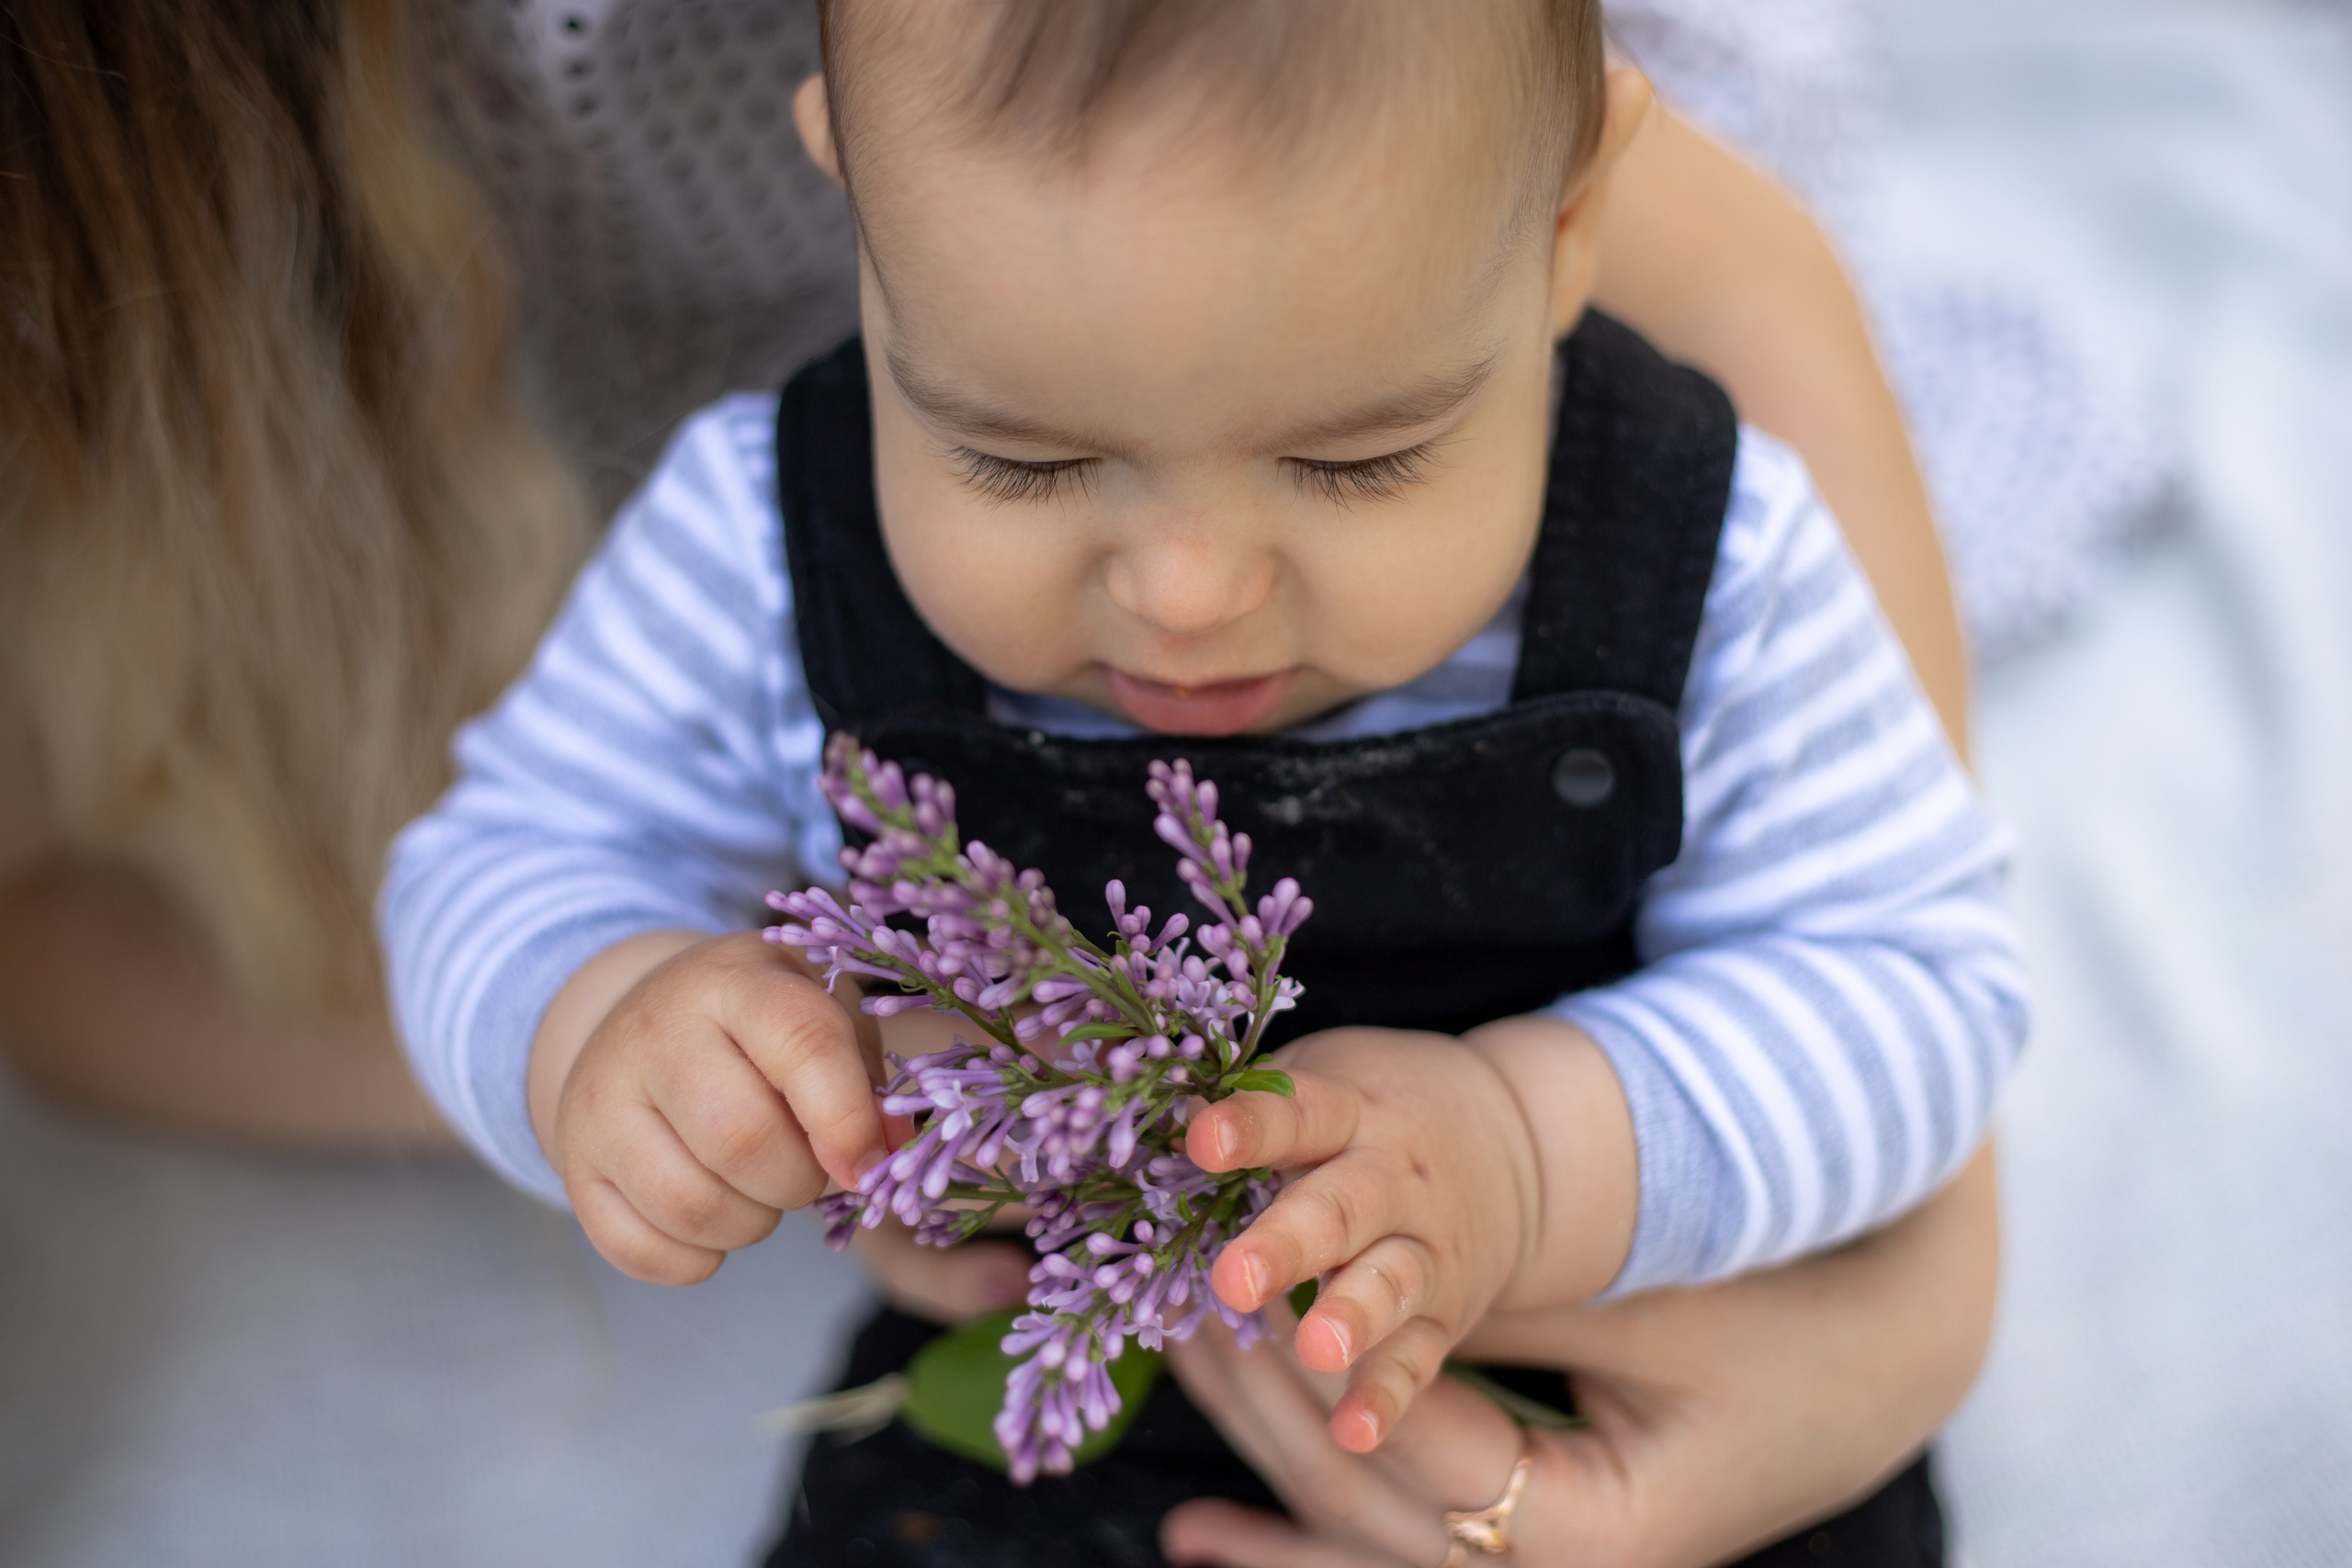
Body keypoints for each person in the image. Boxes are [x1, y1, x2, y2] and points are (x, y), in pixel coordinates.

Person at [381, 2, 2027, 1563]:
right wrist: (606, 1024)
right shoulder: (759, 542)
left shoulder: (1704, 555)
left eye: (1356, 458)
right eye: (1017, 456)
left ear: (1567, 228)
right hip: (1060, 1399)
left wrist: (1537, 1156)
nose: (1185, 591)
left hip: (1597, 1371)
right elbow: (511, 854)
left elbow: (1917, 980)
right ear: (863, 221)